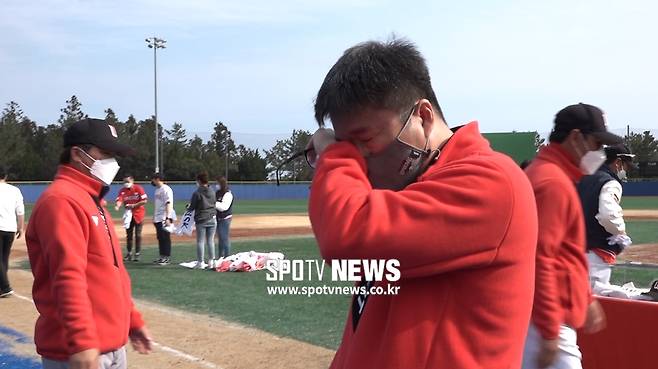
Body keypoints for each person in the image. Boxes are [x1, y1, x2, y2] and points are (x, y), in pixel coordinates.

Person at [307, 39, 538, 369]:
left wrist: (334, 154)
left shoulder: (492, 180)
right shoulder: (412, 185)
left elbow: (346, 236)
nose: (359, 158)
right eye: (348, 144)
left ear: (423, 116)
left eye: (365, 140)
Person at [25, 118, 152, 368]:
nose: (111, 162)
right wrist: (82, 342)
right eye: (104, 153)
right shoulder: (61, 200)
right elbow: (67, 276)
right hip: (80, 351)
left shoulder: (91, 199)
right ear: (77, 154)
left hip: (110, 345)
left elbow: (112, 272)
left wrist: (132, 320)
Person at [522, 103, 616, 369]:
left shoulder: (552, 175)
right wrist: (549, 331)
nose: (600, 152)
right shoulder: (552, 183)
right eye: (597, 142)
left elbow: (563, 252)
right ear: (576, 138)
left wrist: (585, 298)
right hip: (545, 320)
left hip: (546, 317)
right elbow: (540, 259)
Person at [577, 144, 636, 287]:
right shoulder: (610, 182)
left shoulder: (584, 178)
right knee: (594, 298)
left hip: (575, 250)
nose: (626, 171)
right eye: (626, 166)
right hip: (595, 255)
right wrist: (620, 232)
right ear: (617, 163)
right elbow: (608, 215)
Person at [0, 166, 24, 298]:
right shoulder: (14, 190)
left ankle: (5, 287)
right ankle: (1, 287)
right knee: (4, 257)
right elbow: (20, 211)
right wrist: (20, 227)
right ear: (5, 176)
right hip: (10, 228)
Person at [115, 174, 148, 262]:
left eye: (128, 181)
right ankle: (129, 253)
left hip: (138, 214)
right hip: (128, 215)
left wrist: (134, 205)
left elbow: (144, 200)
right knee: (129, 235)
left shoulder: (138, 188)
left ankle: (137, 253)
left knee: (138, 235)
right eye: (124, 182)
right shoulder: (122, 190)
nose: (126, 183)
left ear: (132, 181)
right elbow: (120, 199)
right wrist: (118, 206)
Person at [187, 172, 217, 269]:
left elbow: (192, 207)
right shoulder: (212, 191)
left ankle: (200, 262)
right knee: (210, 241)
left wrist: (188, 207)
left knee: (200, 241)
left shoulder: (197, 193)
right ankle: (212, 261)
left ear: (199, 181)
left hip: (201, 219)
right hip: (212, 218)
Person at [151, 173, 174, 265]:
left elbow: (168, 203)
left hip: (164, 217)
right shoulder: (157, 190)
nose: (152, 181)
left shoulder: (166, 189)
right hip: (158, 217)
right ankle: (162, 256)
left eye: (153, 179)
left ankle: (166, 257)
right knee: (160, 238)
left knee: (165, 238)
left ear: (157, 179)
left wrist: (168, 217)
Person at [215, 176, 233, 259]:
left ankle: (227, 257)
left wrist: (213, 204)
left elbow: (224, 207)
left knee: (224, 238)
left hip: (225, 218)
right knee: (220, 238)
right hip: (218, 217)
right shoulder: (218, 192)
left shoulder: (228, 194)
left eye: (217, 183)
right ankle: (220, 256)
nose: (216, 185)